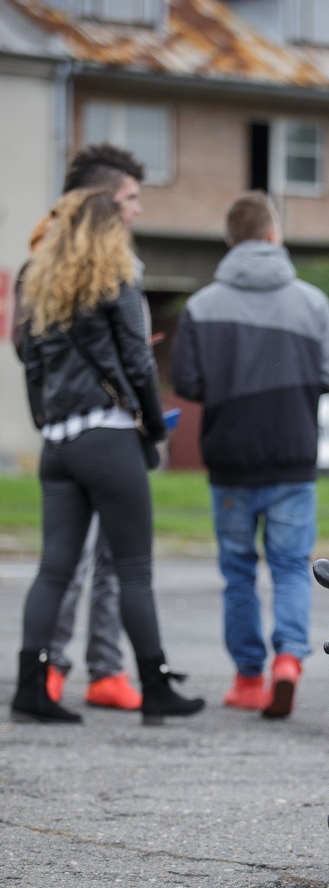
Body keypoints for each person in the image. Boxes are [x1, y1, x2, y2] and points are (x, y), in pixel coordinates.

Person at [10, 187, 205, 725]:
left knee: (53, 570)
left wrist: (45, 422)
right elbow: (139, 364)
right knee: (134, 569)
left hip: (60, 443)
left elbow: (30, 364)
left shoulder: (41, 286)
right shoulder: (116, 281)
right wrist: (149, 422)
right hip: (108, 434)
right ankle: (155, 684)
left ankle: (30, 687)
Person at [171, 190, 329, 718]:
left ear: (230, 241)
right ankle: (288, 662)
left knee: (238, 572)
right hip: (292, 455)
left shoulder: (201, 306)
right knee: (292, 567)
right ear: (274, 235)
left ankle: (248, 677)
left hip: (229, 459)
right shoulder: (312, 301)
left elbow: (185, 381)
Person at [12, 143, 149, 712]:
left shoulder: (121, 258)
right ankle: (51, 669)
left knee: (113, 561)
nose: (137, 210)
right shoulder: (45, 260)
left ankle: (106, 670)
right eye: (130, 199)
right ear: (100, 201)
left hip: (76, 427)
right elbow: (32, 349)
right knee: (66, 564)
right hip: (95, 424)